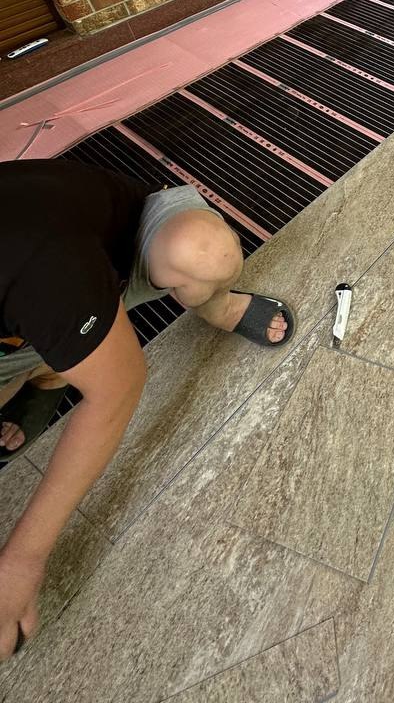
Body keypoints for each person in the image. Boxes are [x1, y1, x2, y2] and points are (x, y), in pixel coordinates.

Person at [0, 159, 296, 662]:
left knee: (203, 252)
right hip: (37, 311)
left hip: (127, 254)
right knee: (63, 335)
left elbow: (120, 390)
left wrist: (21, 560)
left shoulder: (32, 257)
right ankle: (50, 368)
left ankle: (216, 306)